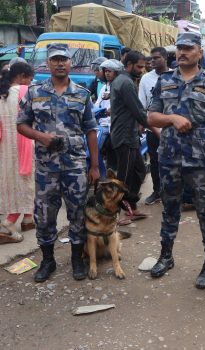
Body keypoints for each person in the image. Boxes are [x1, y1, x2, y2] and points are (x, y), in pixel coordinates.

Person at [148, 32, 205, 289]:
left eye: (188, 48)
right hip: (169, 158)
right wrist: (172, 119)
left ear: (200, 53)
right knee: (169, 209)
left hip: (200, 162)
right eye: (179, 48)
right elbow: (152, 117)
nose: (182, 52)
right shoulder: (164, 81)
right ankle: (166, 256)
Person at [17, 43, 100, 283]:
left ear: (70, 62)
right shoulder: (35, 93)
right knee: (44, 215)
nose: (60, 63)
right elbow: (21, 124)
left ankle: (76, 258)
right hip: (46, 168)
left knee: (77, 212)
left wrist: (94, 166)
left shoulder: (82, 94)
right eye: (55, 59)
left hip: (75, 167)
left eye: (64, 59)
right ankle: (48, 260)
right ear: (48, 63)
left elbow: (91, 130)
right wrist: (41, 137)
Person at [109, 50, 149, 225]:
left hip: (130, 134)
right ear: (130, 64)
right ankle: (117, 214)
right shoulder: (125, 83)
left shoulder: (125, 80)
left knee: (139, 171)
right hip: (123, 135)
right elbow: (138, 111)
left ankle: (130, 206)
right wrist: (156, 128)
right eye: (139, 67)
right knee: (124, 178)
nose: (141, 70)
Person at [0, 62, 35, 244]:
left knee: (12, 184)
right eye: (29, 79)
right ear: (22, 76)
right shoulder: (24, 91)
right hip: (24, 146)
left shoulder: (2, 94)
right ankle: (10, 221)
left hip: (5, 148)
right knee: (26, 184)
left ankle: (28, 219)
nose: (30, 82)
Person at [138, 47, 168, 205]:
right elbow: (142, 106)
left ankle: (173, 191)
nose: (152, 61)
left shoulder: (174, 77)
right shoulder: (146, 79)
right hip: (153, 129)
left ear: (165, 58)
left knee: (174, 162)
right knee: (155, 161)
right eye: (151, 58)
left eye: (156, 58)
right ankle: (157, 191)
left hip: (172, 130)